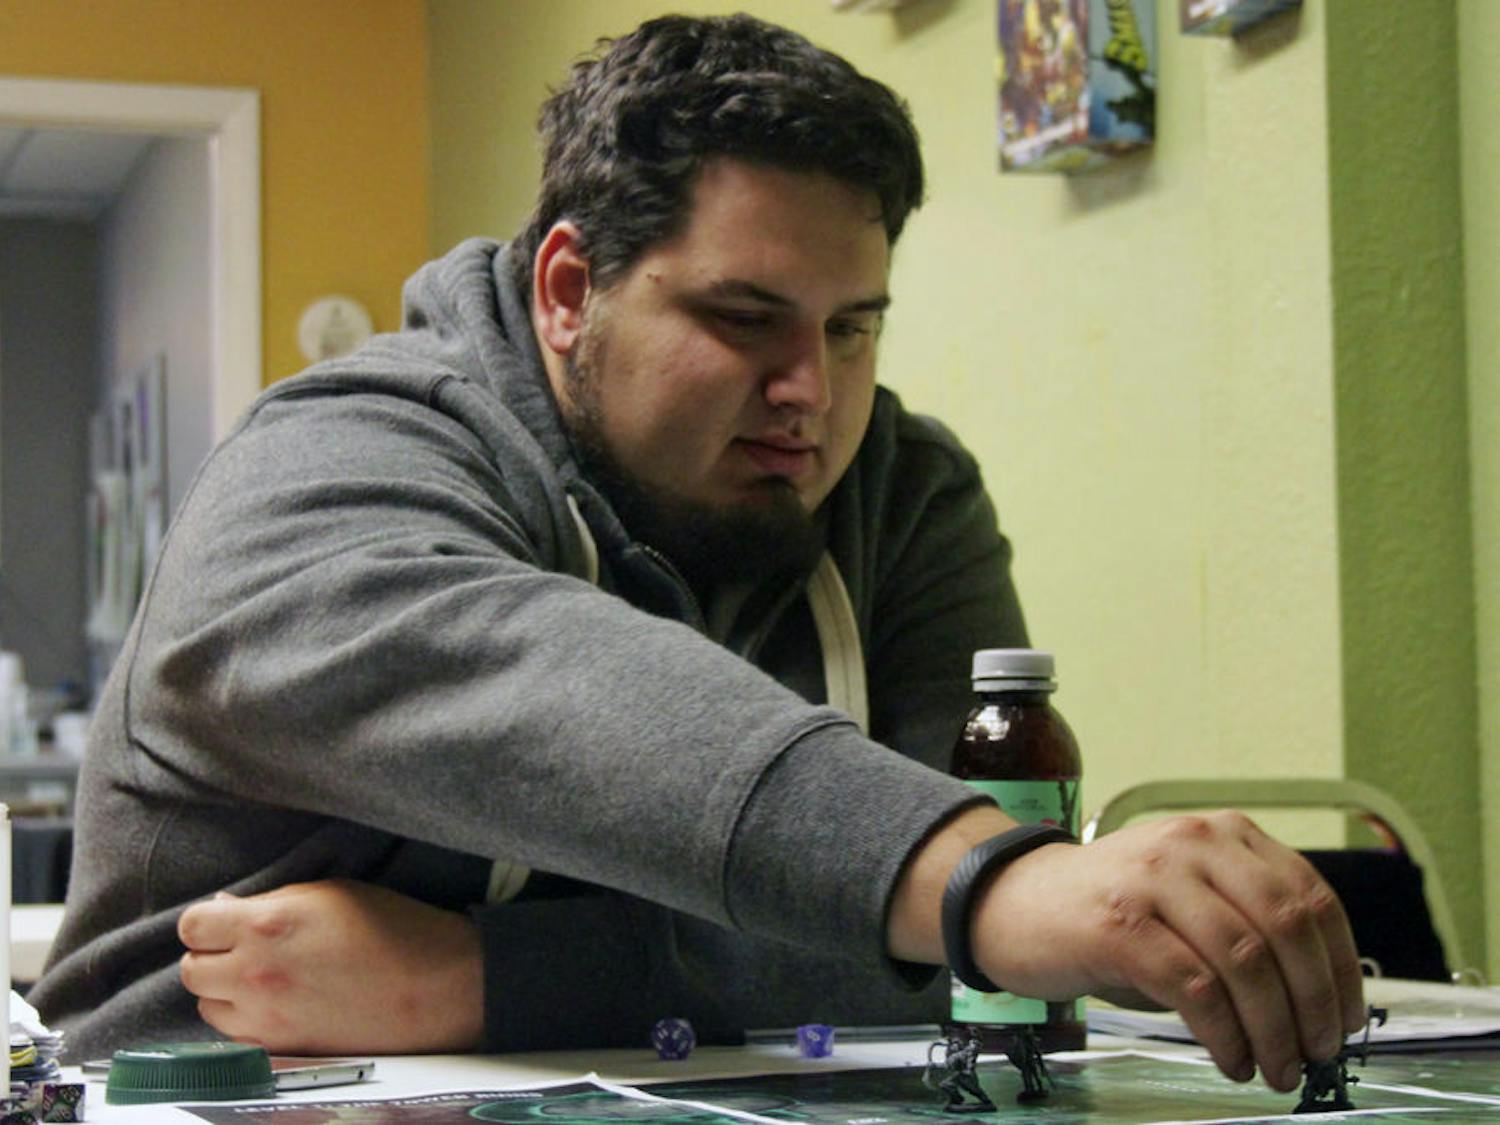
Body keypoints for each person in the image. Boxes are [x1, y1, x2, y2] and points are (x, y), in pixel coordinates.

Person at [30, 14, 1363, 1092]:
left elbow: (970, 970)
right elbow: (558, 694)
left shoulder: (902, 491)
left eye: (853, 328)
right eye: (746, 318)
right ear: (566, 291)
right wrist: (979, 881)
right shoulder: (323, 465)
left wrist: (491, 976)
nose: (813, 391)